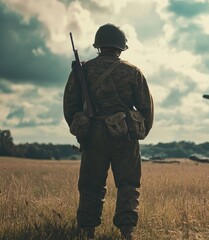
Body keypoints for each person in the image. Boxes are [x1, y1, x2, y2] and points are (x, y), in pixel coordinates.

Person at [63, 23, 154, 240]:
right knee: (128, 184)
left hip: (93, 136)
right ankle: (127, 232)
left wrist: (82, 130)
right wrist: (137, 131)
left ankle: (88, 231)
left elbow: (70, 106)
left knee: (90, 185)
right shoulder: (133, 72)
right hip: (125, 136)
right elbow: (146, 110)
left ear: (98, 46)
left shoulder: (83, 70)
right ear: (121, 47)